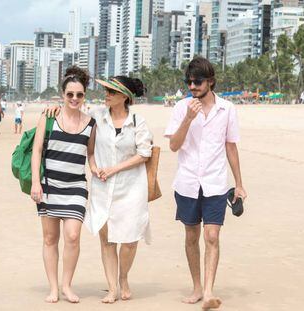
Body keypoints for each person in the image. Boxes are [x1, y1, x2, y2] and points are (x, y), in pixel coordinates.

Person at [45, 76, 153, 303]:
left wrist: (114, 169)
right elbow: (75, 116)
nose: (106, 94)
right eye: (106, 90)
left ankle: (123, 277)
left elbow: (144, 154)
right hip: (103, 188)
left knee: (130, 240)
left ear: (124, 97)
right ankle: (113, 288)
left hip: (132, 187)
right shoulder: (96, 117)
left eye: (111, 92)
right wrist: (55, 107)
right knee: (107, 240)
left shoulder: (137, 121)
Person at [164, 57, 247, 310]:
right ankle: (197, 286)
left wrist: (239, 184)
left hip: (215, 183)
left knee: (212, 235)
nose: (192, 86)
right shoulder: (181, 108)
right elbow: (173, 146)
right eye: (189, 82)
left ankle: (209, 290)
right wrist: (188, 119)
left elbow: (230, 146)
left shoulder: (227, 109)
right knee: (192, 236)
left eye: (197, 81)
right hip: (187, 182)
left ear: (210, 81)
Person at [30, 66, 96, 304]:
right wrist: (36, 182)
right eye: (70, 94)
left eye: (79, 94)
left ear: (84, 95)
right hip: (49, 186)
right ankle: (53, 288)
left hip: (76, 187)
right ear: (63, 95)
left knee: (73, 236)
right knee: (50, 238)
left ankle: (67, 285)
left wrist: (97, 168)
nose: (74, 99)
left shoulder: (91, 123)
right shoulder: (49, 117)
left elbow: (90, 154)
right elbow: (37, 151)